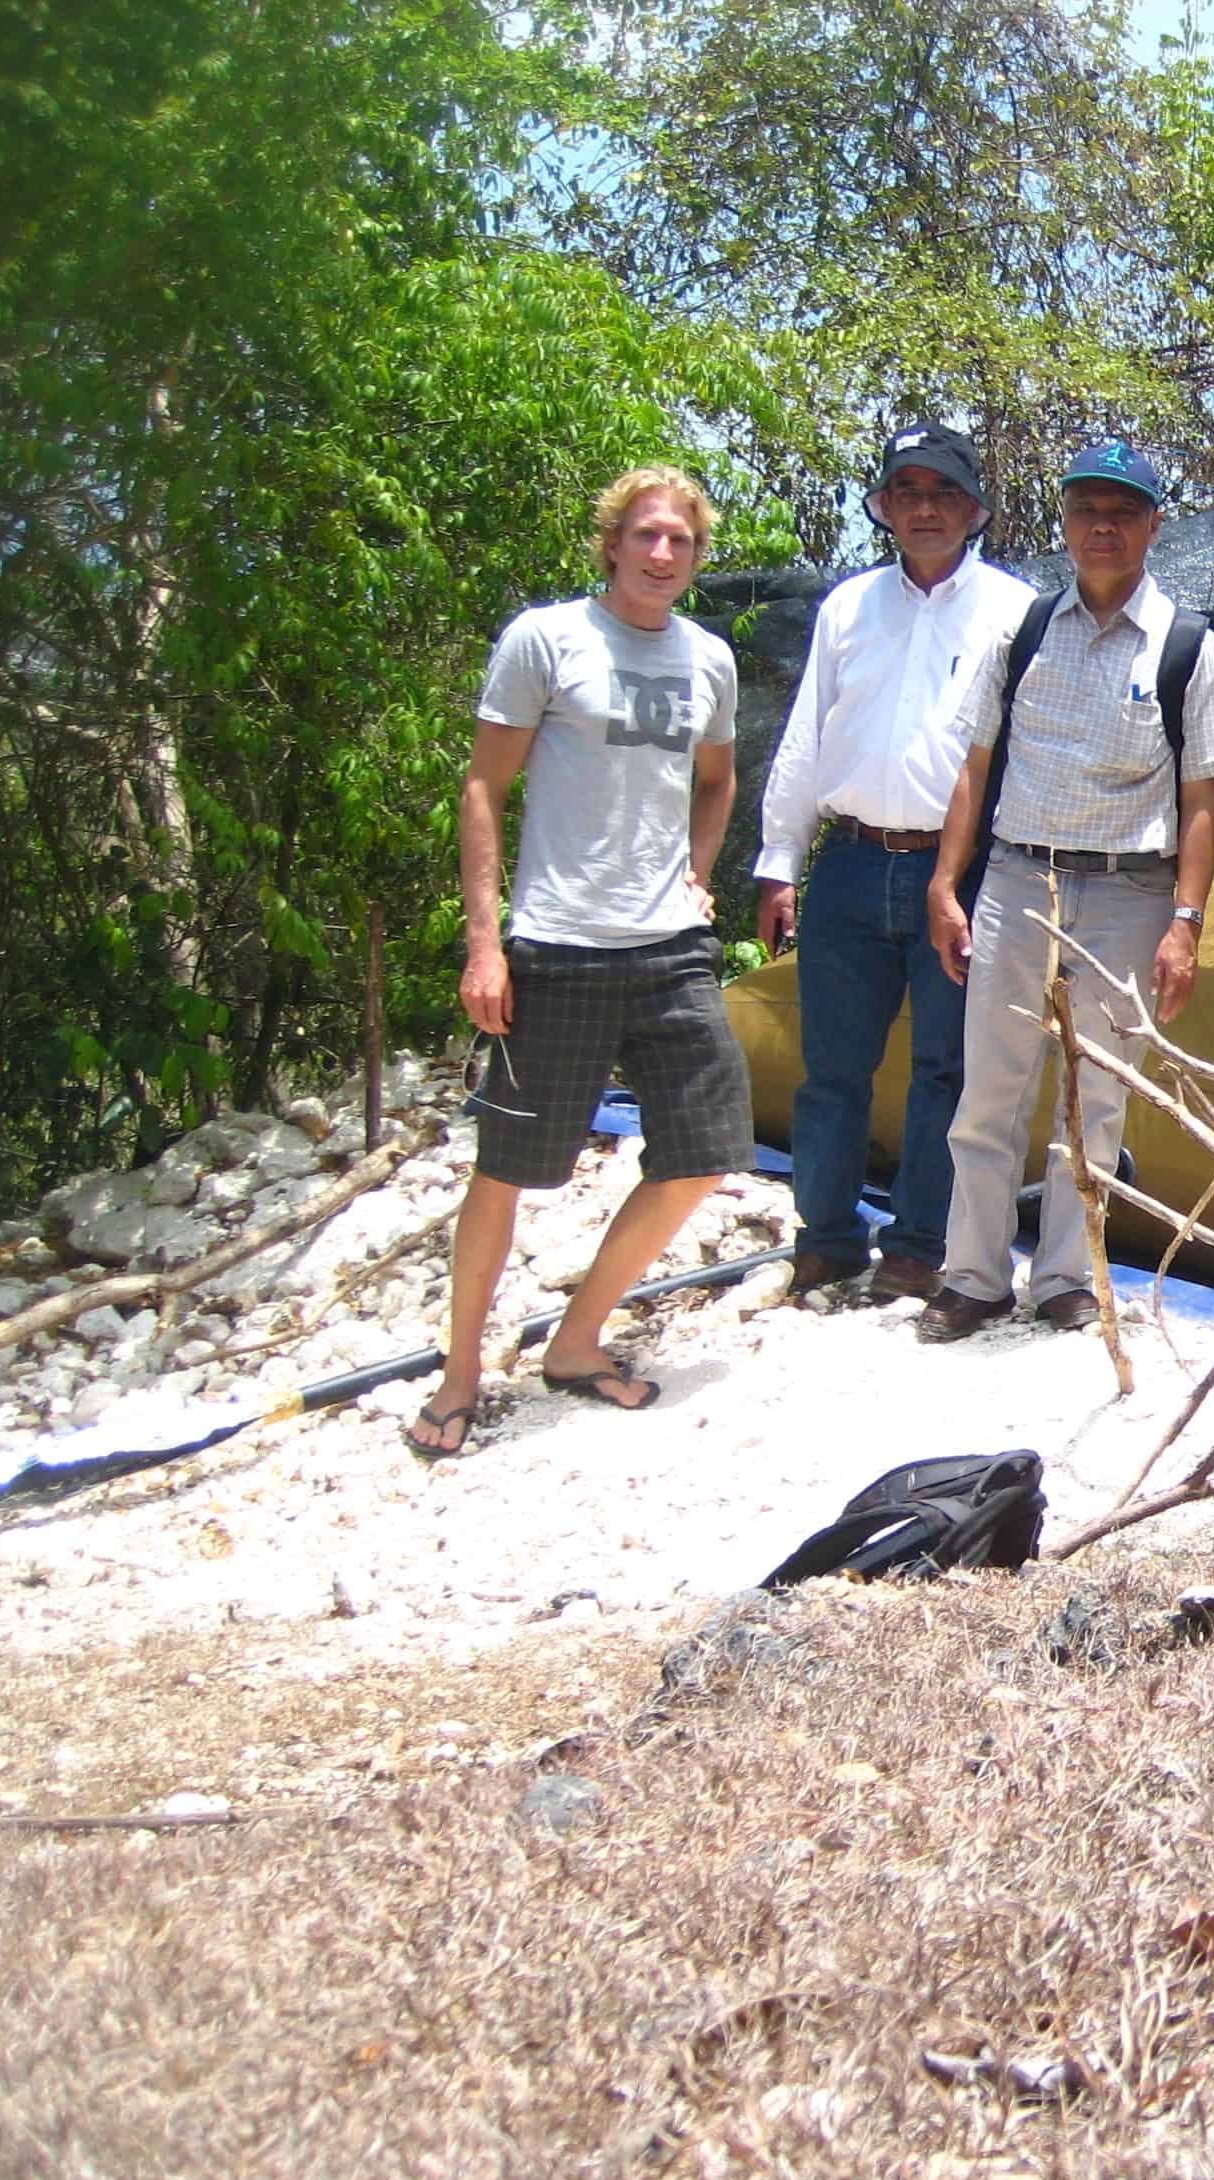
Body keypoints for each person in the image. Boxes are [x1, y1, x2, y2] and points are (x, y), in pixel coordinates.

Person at [403, 466, 751, 1459]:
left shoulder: (709, 661)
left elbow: (718, 782)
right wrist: (484, 943)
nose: (661, 554)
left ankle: (575, 1341)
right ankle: (460, 1374)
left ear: (695, 552)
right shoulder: (546, 640)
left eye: (680, 540)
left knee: (703, 1150)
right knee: (507, 1170)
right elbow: (483, 789)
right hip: (554, 946)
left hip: (670, 950)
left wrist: (696, 874)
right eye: (645, 535)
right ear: (612, 542)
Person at [916, 439, 1214, 1338]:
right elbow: (975, 768)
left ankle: (1065, 1275)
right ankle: (972, 1276)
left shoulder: (1186, 646)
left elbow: (1202, 799)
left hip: (1130, 894)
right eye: (1087, 508)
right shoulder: (1020, 632)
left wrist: (1186, 923)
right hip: (1018, 881)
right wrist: (948, 884)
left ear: (1152, 526)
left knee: (1097, 1096)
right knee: (990, 1092)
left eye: (1123, 511)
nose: (1103, 526)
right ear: (1063, 519)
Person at [753, 423, 1033, 1301]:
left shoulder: (1015, 611)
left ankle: (917, 1244)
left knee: (947, 1068)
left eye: (943, 492)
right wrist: (776, 858)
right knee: (832, 1068)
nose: (924, 509)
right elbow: (807, 733)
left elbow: (1025, 751)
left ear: (975, 510)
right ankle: (827, 1238)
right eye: (905, 492)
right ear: (882, 507)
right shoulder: (848, 606)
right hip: (848, 865)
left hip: (962, 875)